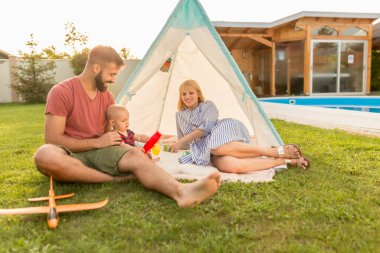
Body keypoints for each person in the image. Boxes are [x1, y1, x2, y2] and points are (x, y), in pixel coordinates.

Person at [33, 46, 220, 208]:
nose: (114, 80)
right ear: (96, 68)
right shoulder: (62, 92)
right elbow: (53, 139)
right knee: (44, 154)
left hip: (100, 152)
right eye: (112, 74)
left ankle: (181, 191)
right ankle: (116, 179)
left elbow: (114, 135)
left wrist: (134, 149)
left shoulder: (107, 98)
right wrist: (97, 142)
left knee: (135, 154)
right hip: (69, 152)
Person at [169, 79, 310, 173]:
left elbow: (205, 128)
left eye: (191, 92)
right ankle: (284, 160)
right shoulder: (178, 116)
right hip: (206, 151)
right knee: (234, 166)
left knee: (216, 146)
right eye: (183, 94)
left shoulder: (208, 106)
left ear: (198, 94)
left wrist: (181, 141)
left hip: (220, 132)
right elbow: (184, 143)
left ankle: (273, 152)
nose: (187, 97)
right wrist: (172, 142)